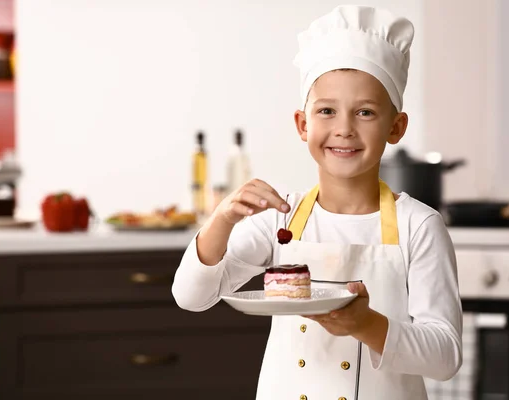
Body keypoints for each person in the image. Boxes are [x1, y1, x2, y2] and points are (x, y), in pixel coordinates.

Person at [173, 4, 462, 399]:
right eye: (326, 111)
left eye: (365, 112)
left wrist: (365, 324)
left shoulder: (419, 226)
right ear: (303, 125)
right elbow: (191, 297)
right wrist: (222, 218)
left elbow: (445, 357)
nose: (343, 129)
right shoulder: (280, 219)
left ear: (396, 128)